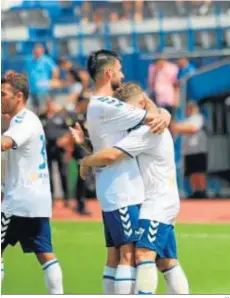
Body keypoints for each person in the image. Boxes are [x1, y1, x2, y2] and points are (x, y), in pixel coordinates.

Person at [69, 49, 170, 294]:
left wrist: (85, 150)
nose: (123, 76)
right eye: (120, 70)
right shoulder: (108, 105)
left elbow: (102, 145)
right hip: (123, 190)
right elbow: (153, 116)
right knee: (129, 256)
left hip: (112, 190)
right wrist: (164, 113)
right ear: (109, 73)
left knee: (114, 256)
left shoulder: (96, 106)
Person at [79, 83, 189, 294]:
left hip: (158, 202)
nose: (127, 117)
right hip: (157, 200)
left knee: (142, 255)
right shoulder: (148, 125)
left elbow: (111, 155)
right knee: (166, 262)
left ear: (141, 104)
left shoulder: (148, 131)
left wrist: (85, 161)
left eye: (130, 111)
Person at [1, 72, 63, 294]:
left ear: (18, 96)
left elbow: (5, 144)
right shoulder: (25, 120)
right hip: (36, 199)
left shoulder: (25, 120)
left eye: (3, 94)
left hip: (18, 200)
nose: (0, 98)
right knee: (45, 254)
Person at [171, 102, 208, 198]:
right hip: (188, 151)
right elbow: (176, 131)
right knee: (191, 172)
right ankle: (195, 191)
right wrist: (176, 127)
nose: (189, 110)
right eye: (188, 108)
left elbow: (193, 129)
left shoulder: (199, 118)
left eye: (192, 108)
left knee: (199, 171)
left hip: (199, 149)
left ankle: (203, 190)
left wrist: (176, 127)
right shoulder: (185, 120)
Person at [39, 100, 70, 206]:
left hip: (59, 148)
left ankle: (67, 198)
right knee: (48, 174)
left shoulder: (61, 117)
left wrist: (64, 139)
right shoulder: (42, 117)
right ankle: (50, 198)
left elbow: (69, 130)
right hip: (47, 147)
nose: (50, 106)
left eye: (52, 104)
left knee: (63, 172)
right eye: (48, 105)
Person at [26, 44, 59, 114]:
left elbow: (55, 69)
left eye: (38, 51)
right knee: (35, 108)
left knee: (48, 107)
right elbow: (25, 72)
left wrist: (53, 81)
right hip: (33, 89)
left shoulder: (46, 60)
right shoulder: (29, 60)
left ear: (42, 51)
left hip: (44, 89)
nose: (36, 53)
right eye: (35, 51)